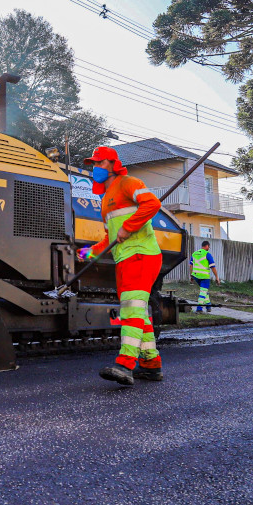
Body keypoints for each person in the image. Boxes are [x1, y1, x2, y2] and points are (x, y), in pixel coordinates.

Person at [78, 146, 163, 385]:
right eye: (94, 165)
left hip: (141, 254)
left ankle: (125, 364)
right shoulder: (105, 200)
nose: (96, 168)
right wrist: (85, 253)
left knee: (131, 311)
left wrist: (129, 226)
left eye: (101, 163)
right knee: (139, 313)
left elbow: (152, 204)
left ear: (114, 165)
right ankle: (151, 364)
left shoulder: (129, 182)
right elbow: (109, 238)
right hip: (124, 257)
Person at [189, 241, 220, 313]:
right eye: (209, 247)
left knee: (204, 291)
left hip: (196, 276)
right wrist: (217, 277)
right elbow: (213, 267)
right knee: (203, 291)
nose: (209, 248)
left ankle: (208, 305)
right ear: (206, 246)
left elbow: (191, 265)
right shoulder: (207, 254)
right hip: (204, 277)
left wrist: (191, 275)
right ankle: (199, 309)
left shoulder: (194, 254)